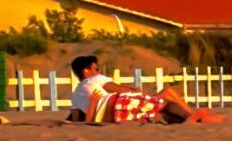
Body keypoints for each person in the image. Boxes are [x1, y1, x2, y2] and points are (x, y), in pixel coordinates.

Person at [63, 52, 209, 125]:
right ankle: (193, 115)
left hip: (114, 117)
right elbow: (118, 90)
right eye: (96, 69)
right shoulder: (95, 79)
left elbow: (77, 121)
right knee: (166, 95)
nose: (98, 72)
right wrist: (134, 91)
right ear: (86, 71)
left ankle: (191, 117)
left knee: (159, 105)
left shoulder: (74, 95)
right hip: (117, 105)